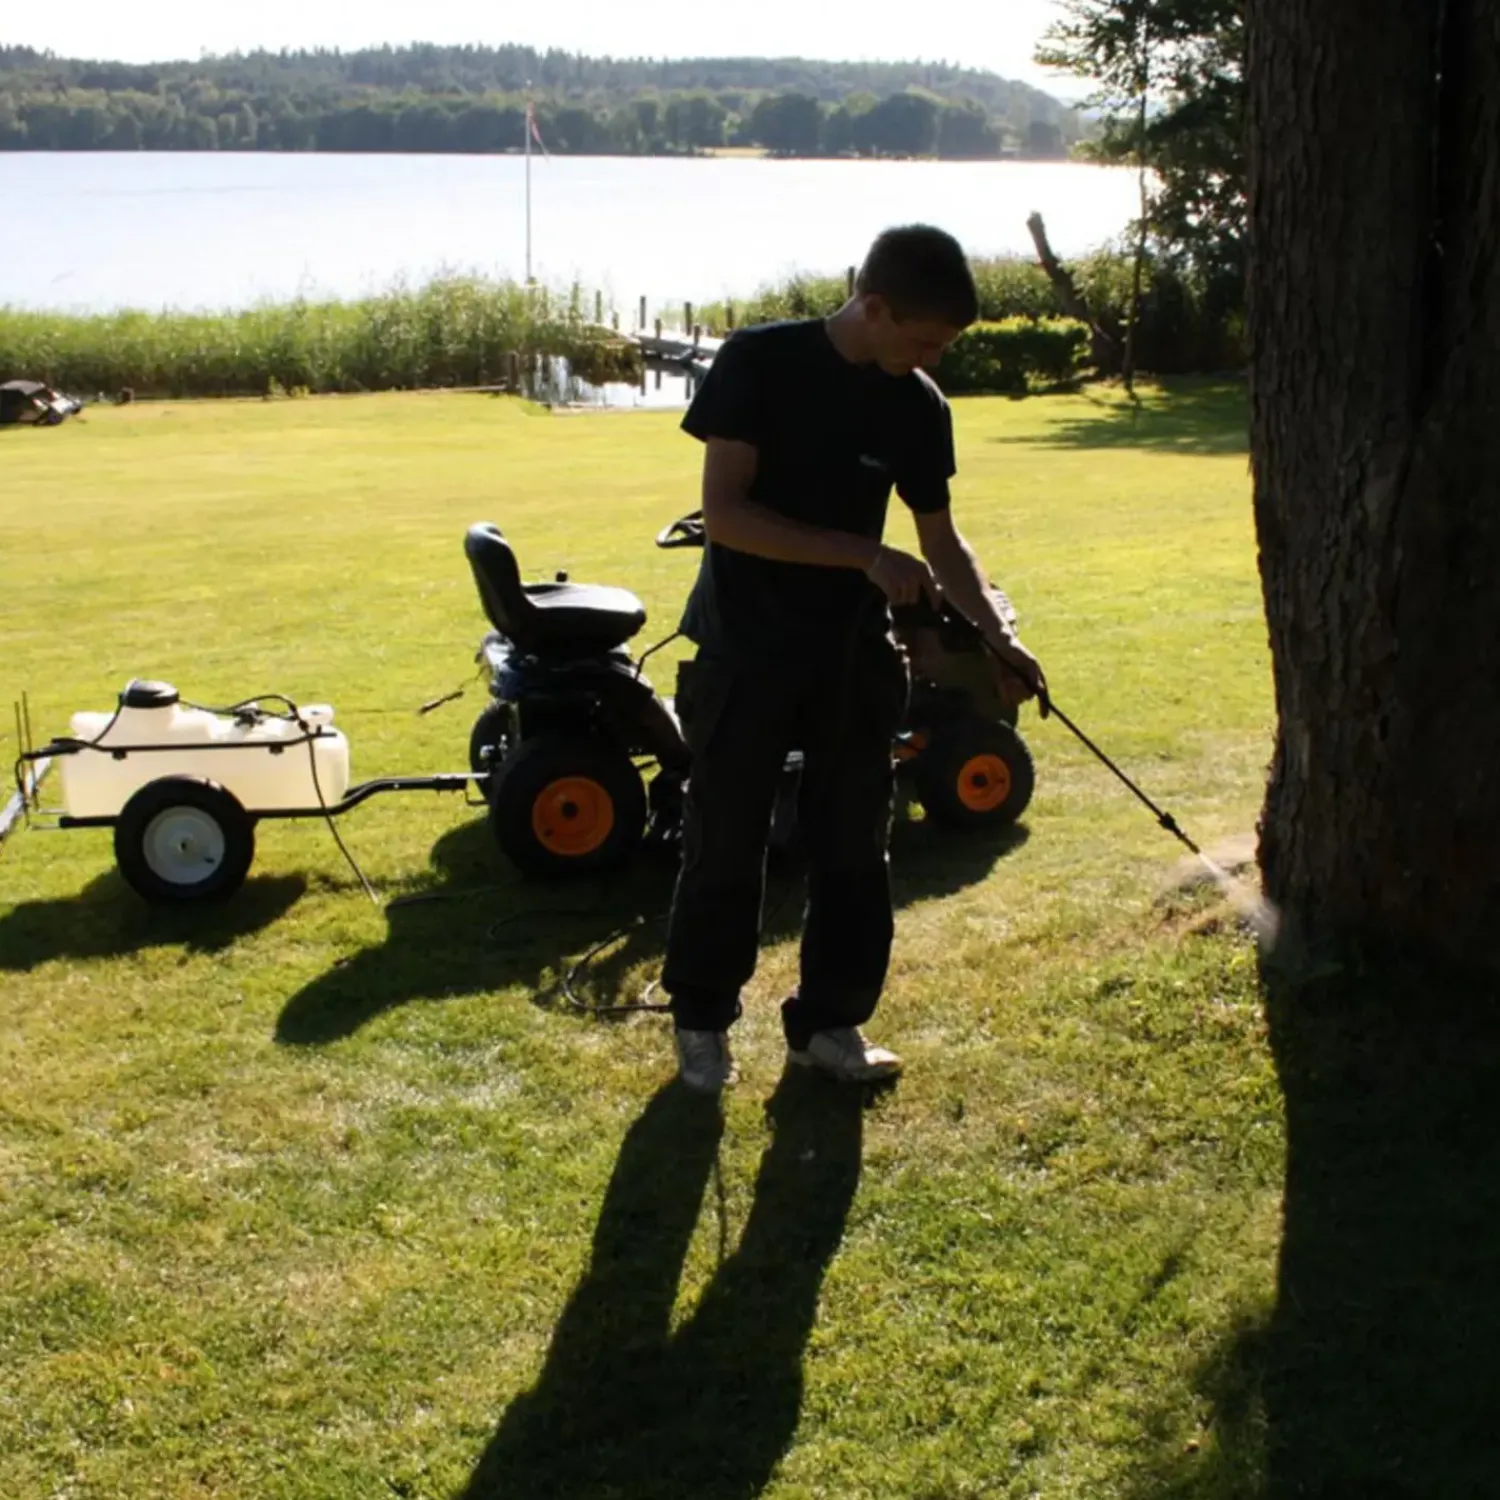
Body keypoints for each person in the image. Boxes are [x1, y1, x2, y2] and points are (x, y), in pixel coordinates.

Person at [661, 224, 1046, 1094]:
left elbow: (940, 544)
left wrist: (998, 636)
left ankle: (829, 1025)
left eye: (942, 347)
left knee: (855, 847)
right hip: (745, 649)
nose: (930, 359)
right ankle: (702, 1027)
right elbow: (726, 514)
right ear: (874, 306)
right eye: (922, 340)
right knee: (725, 839)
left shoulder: (916, 403)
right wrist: (864, 556)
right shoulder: (760, 363)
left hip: (852, 659)